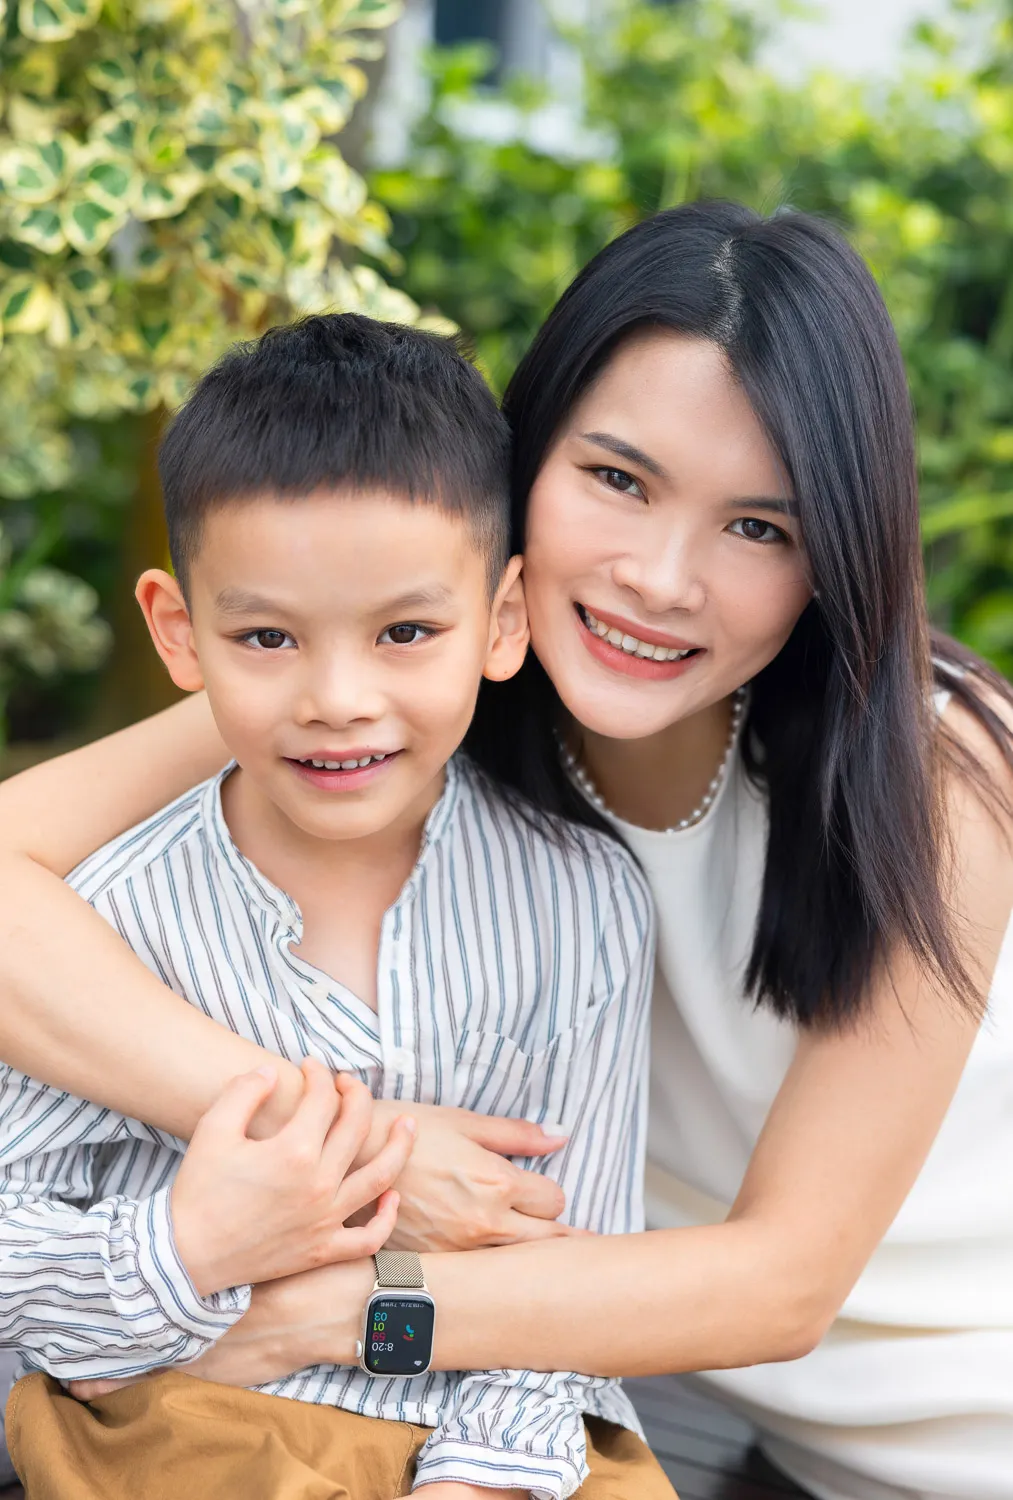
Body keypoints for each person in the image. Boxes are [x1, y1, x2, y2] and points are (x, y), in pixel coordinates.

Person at [0, 201, 1011, 1500]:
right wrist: (354, 1144)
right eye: (617, 479)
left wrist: (335, 1312)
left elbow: (782, 1284)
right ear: (520, 473)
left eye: (758, 528)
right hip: (652, 1406)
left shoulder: (938, 773)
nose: (658, 577)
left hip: (962, 1426)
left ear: (833, 558)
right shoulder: (393, 681)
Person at [0, 314, 667, 1500]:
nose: (338, 699)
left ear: (504, 620)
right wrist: (182, 1247)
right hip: (179, 1429)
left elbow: (571, 1290)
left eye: (406, 633)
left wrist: (469, 1484)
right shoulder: (108, 916)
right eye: (266, 637)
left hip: (490, 1447)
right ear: (177, 631)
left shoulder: (578, 906)